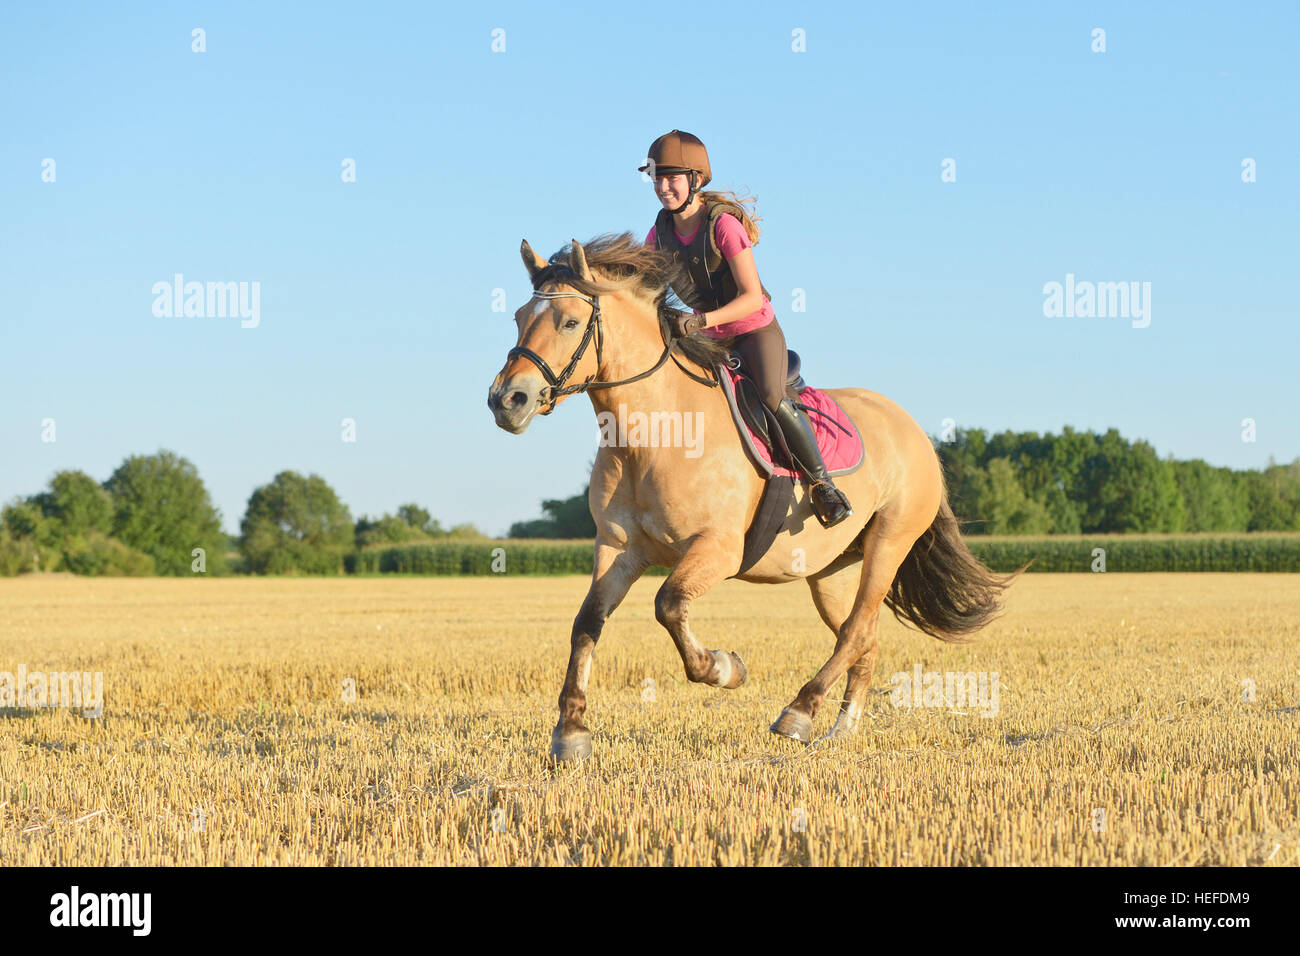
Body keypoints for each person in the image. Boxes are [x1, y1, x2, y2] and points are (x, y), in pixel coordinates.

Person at [638, 129, 852, 528]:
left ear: (696, 180)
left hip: (754, 330)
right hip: (705, 338)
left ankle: (824, 486)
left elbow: (753, 297)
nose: (662, 187)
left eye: (671, 177)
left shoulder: (723, 226)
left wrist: (699, 321)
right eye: (656, 178)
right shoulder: (660, 232)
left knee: (770, 395)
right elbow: (646, 286)